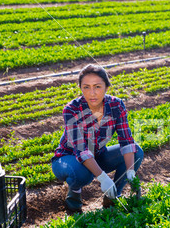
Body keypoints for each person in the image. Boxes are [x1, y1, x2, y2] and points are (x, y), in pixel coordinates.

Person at [51, 64, 144, 211]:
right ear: (80, 88)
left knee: (136, 152)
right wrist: (103, 178)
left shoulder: (116, 105)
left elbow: (126, 141)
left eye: (97, 87)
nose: (92, 93)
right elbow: (81, 150)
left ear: (107, 87)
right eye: (86, 87)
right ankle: (73, 198)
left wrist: (131, 172)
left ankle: (112, 197)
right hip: (67, 159)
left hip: (97, 154)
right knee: (84, 174)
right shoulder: (72, 109)